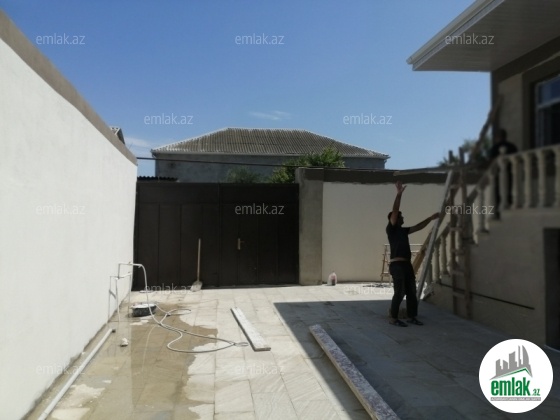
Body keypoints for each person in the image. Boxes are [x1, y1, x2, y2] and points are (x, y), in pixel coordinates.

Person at [386, 181, 440, 327]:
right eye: (401, 217)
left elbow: (418, 227)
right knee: (400, 291)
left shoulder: (403, 231)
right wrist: (399, 195)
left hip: (406, 265)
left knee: (411, 291)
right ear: (394, 219)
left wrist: (430, 218)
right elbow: (395, 210)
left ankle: (412, 316)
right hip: (397, 265)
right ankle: (393, 318)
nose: (403, 218)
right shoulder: (391, 229)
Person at [489, 129, 518, 219]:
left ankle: (498, 213)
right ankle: (510, 210)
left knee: (498, 194)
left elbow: (491, 162)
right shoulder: (512, 147)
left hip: (498, 176)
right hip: (510, 174)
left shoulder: (495, 148)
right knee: (509, 192)